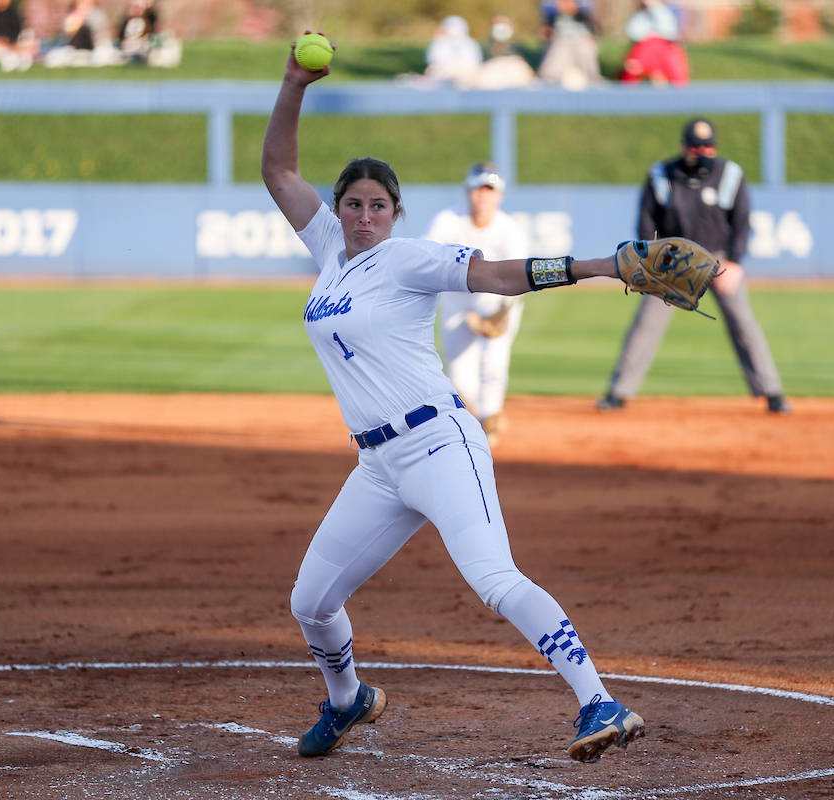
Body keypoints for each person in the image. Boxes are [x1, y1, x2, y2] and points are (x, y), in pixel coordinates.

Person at [261, 35, 645, 764]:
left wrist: (597, 266)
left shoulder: (409, 259)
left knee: (495, 579)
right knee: (310, 602)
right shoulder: (328, 255)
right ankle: (348, 703)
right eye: (352, 204)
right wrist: (293, 82)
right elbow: (278, 167)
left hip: (439, 444)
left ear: (396, 213)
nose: (364, 215)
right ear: (338, 211)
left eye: (378, 205)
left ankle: (600, 699)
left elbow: (499, 276)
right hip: (377, 467)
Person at [597, 118, 791, 414]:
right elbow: (646, 223)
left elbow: (742, 222)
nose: (702, 152)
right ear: (683, 147)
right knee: (647, 323)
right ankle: (619, 392)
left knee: (743, 322)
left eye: (707, 146)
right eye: (696, 146)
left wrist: (736, 262)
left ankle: (771, 392)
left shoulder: (729, 175)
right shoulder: (661, 175)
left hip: (718, 260)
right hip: (671, 261)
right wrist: (653, 261)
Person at [425, 163, 531, 446]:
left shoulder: (510, 230)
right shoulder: (449, 219)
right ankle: (483, 416)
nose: (483, 196)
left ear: (500, 195)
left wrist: (503, 311)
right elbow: (427, 254)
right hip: (457, 300)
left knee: (495, 362)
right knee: (460, 376)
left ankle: (490, 417)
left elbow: (520, 275)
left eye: (490, 190)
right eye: (478, 189)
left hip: (496, 302)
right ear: (468, 191)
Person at [620, 0, 689, 86]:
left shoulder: (663, 11)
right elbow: (633, 32)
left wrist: (654, 7)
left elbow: (669, 30)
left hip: (665, 48)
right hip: (646, 47)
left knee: (677, 79)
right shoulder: (640, 14)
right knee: (633, 67)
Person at [537, 0, 602, 90]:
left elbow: (585, 9)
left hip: (581, 36)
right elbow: (549, 9)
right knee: (549, 73)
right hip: (560, 37)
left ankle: (594, 85)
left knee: (588, 65)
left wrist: (571, 7)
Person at [423, 15, 483, 87]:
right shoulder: (438, 42)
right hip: (443, 76)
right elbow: (433, 60)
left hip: (466, 76)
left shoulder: (470, 43)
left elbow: (474, 62)